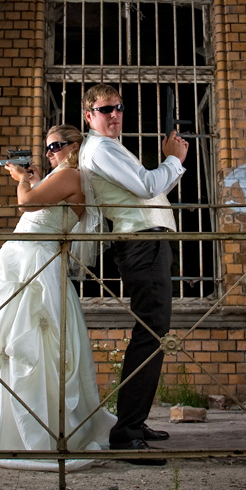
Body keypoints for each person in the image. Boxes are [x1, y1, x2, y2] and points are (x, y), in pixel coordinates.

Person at [0, 124, 115, 470]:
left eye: (58, 145)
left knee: (30, 346)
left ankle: (36, 432)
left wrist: (20, 178)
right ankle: (4, 428)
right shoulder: (62, 178)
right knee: (4, 344)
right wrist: (37, 179)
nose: (52, 152)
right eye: (48, 147)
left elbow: (26, 204)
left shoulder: (72, 176)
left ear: (76, 146)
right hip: (21, 263)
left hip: (34, 266)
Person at [79, 84, 189, 465]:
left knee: (153, 333)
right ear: (88, 115)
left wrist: (170, 165)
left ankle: (133, 424)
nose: (115, 114)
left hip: (149, 240)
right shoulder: (100, 148)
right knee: (151, 333)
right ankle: (126, 433)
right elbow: (147, 186)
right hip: (140, 243)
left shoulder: (112, 148)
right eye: (105, 108)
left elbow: (154, 191)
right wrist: (172, 159)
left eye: (119, 108)